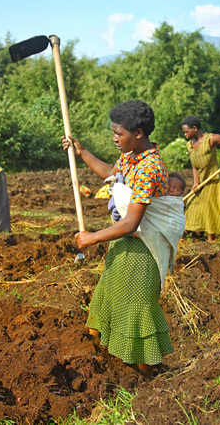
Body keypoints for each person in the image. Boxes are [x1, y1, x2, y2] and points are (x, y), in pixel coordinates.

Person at [62, 100, 182, 378]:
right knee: (110, 292)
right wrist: (83, 152)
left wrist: (92, 238)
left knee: (137, 304)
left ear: (138, 133)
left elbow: (131, 223)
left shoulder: (149, 168)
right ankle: (104, 353)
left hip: (143, 245)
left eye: (119, 133)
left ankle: (150, 374)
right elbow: (111, 174)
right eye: (113, 132)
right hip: (124, 241)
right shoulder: (131, 157)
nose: (115, 138)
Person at [180, 115, 220, 242]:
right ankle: (195, 235)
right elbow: (194, 165)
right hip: (200, 180)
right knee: (192, 205)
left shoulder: (211, 139)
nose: (185, 134)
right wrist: (196, 182)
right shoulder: (189, 145)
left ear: (194, 128)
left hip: (213, 178)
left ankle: (211, 239)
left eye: (186, 131)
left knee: (209, 207)